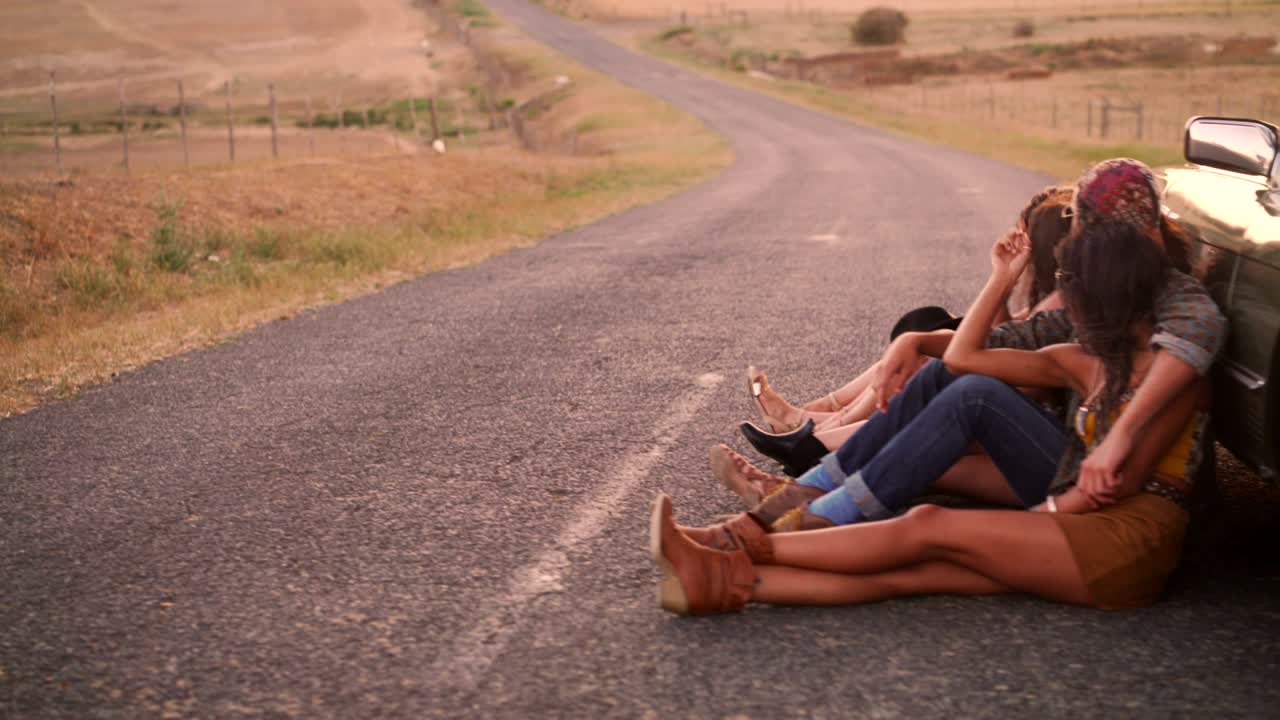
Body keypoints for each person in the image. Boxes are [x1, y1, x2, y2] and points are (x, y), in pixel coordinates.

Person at [652, 217, 1210, 615]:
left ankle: (736, 540)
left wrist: (1031, 519)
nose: (1063, 298)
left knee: (926, 528)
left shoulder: (1171, 382)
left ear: (1108, 295)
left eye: (1072, 286)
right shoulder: (1080, 360)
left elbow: (1118, 485)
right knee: (905, 573)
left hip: (1123, 540)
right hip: (1079, 521)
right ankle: (715, 579)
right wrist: (1001, 279)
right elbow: (966, 360)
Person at [723, 159, 1223, 519]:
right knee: (946, 373)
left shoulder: (1180, 300)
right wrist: (988, 287)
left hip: (1099, 476)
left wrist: (1123, 441)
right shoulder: (1096, 294)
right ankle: (810, 489)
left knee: (970, 397)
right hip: (1068, 453)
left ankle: (817, 504)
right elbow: (970, 353)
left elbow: (1191, 343)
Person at [740, 187, 1073, 474]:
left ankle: (820, 435)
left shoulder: (1060, 303)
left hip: (1025, 422)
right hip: (1013, 398)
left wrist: (1002, 280)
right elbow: (1008, 332)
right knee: (928, 326)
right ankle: (821, 427)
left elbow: (995, 343)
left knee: (938, 354)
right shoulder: (1055, 297)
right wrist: (1005, 278)